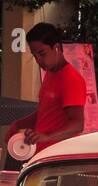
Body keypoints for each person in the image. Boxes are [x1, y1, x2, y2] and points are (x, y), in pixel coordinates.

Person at [7, 23, 87, 151]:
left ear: (56, 48)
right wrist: (18, 124)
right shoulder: (51, 73)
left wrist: (47, 137)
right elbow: (46, 112)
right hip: (41, 154)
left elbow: (77, 124)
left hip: (58, 157)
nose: (38, 60)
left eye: (42, 54)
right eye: (35, 55)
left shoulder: (72, 79)